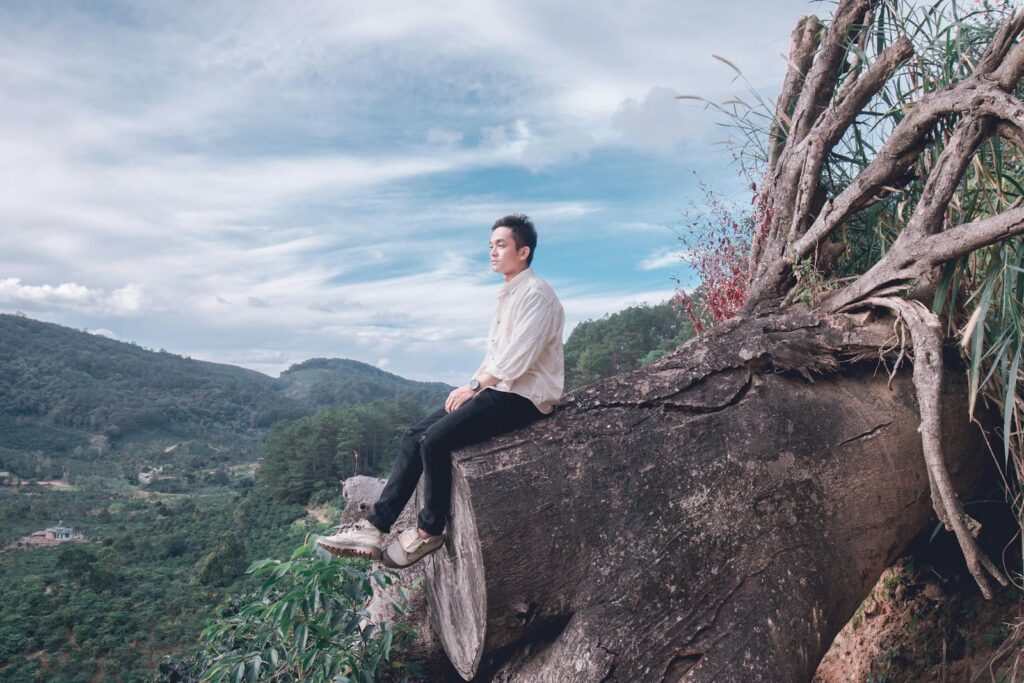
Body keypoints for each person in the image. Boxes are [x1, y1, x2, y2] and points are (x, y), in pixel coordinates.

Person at [317, 214, 565, 568]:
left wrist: (474, 386)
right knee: (412, 437)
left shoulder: (536, 294)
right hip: (498, 388)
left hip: (523, 397)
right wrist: (473, 387)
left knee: (434, 441)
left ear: (523, 252)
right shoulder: (508, 295)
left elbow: (517, 357)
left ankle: (429, 531)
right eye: (491, 246)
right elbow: (496, 356)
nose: (493, 252)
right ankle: (374, 528)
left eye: (501, 245)